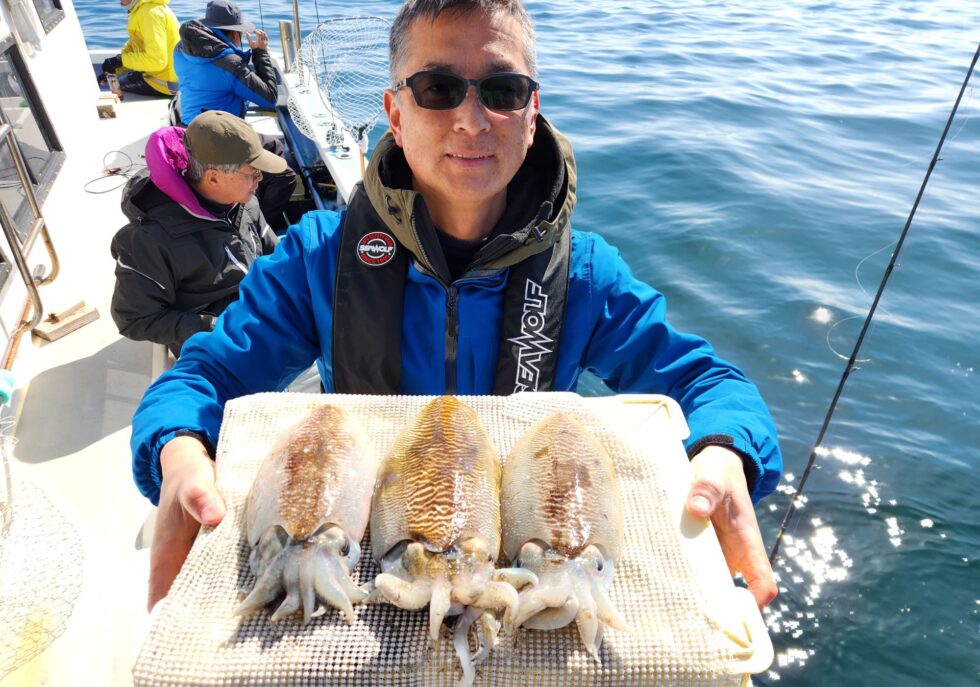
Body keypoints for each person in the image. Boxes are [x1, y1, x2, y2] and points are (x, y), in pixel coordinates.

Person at [132, 0, 783, 613]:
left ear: (531, 113)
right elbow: (203, 377)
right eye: (438, 89)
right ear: (394, 113)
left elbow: (710, 385)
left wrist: (724, 451)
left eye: (503, 91)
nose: (473, 120)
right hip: (357, 557)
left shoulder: (586, 275)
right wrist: (180, 444)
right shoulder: (317, 258)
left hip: (519, 565)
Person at [110, 110, 282, 358]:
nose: (260, 178)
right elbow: (133, 318)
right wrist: (214, 328)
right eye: (252, 173)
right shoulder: (147, 241)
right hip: (220, 344)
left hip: (261, 315)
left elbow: (274, 255)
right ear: (213, 179)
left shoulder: (245, 203)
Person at [172, 0, 297, 229]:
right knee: (285, 176)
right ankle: (255, 223)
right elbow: (269, 96)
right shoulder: (229, 64)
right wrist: (260, 52)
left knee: (275, 146)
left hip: (189, 129)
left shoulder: (181, 49)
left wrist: (241, 60)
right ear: (233, 33)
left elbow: (216, 69)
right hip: (220, 137)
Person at [100, 0, 180, 98]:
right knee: (119, 77)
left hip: (167, 84)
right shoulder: (144, 9)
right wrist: (116, 67)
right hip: (165, 74)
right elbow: (136, 45)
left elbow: (156, 60)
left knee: (118, 83)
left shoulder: (149, 14)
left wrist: (121, 60)